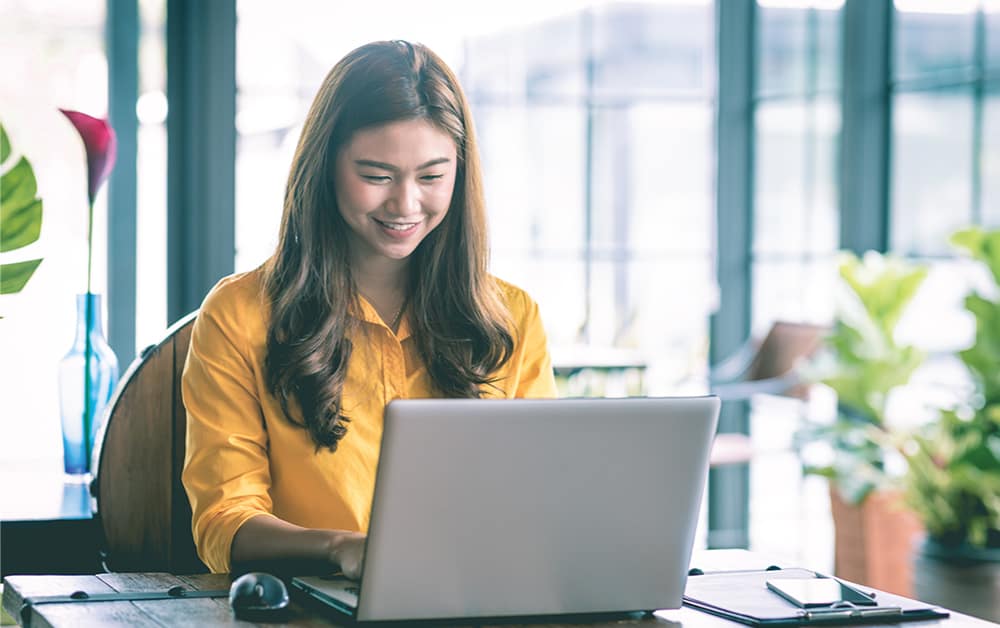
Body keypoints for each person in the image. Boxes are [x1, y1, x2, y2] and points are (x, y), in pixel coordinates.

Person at [181, 40, 557, 578]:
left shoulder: (513, 317)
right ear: (325, 166)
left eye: (431, 177)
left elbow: (539, 502)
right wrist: (344, 549)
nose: (405, 205)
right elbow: (223, 522)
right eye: (377, 175)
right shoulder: (240, 315)